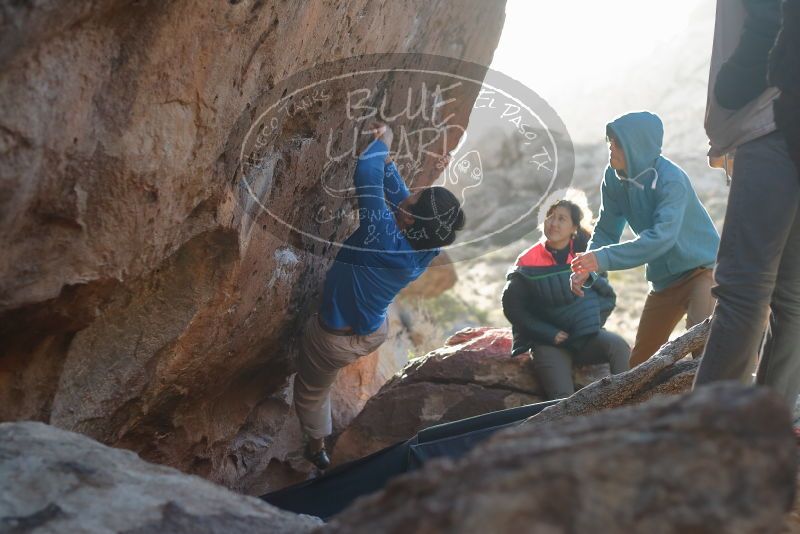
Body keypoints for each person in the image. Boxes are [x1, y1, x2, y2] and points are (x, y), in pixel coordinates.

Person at [293, 121, 465, 469]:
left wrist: (384, 144)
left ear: (411, 220)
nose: (410, 194)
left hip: (333, 339)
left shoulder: (382, 235)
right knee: (325, 374)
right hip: (372, 331)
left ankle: (316, 446)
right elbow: (404, 200)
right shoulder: (425, 247)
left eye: (416, 199)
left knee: (312, 389)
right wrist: (392, 168)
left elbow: (366, 175)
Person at [693, 0, 800, 408]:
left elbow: (770, 18)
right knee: (792, 297)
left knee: (744, 290)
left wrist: (732, 92)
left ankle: (702, 442)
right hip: (779, 112)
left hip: (772, 114)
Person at [570, 111, 721, 368]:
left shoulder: (671, 180)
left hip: (702, 271)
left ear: (637, 146)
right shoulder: (613, 178)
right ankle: (638, 409)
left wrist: (601, 258)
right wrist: (588, 269)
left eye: (618, 143)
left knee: (702, 350)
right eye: (610, 142)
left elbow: (661, 239)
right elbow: (607, 230)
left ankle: (717, 406)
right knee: (639, 365)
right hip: (663, 282)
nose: (611, 149)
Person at [502, 199, 630, 400]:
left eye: (561, 219)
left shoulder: (585, 256)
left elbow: (607, 296)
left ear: (574, 228)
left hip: (585, 338)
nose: (553, 223)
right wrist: (548, 333)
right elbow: (513, 308)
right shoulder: (527, 261)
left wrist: (588, 322)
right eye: (550, 217)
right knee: (563, 400)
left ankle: (626, 404)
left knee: (619, 346)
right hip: (549, 344)